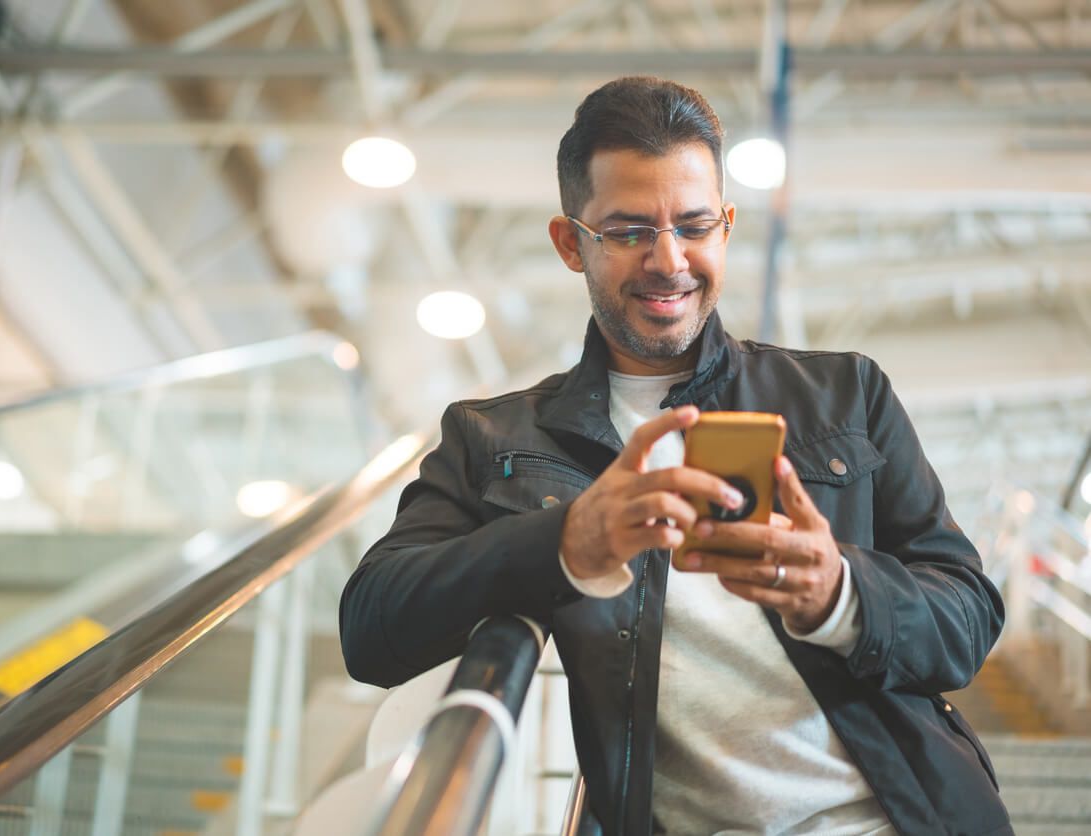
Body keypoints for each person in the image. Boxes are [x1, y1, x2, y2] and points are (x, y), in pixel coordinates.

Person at [339, 77, 1009, 835]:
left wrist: (841, 594)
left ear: (725, 227)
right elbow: (371, 628)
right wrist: (565, 543)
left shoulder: (845, 393)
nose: (668, 261)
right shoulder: (493, 437)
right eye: (627, 232)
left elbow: (968, 614)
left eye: (693, 226)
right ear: (570, 244)